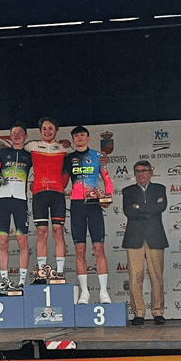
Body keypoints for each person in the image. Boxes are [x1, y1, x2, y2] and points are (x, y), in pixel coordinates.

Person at [63, 125, 114, 304]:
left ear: (88, 137)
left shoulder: (98, 156)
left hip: (93, 205)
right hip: (77, 205)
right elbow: (62, 181)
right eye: (76, 135)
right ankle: (84, 292)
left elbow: (106, 178)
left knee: (99, 248)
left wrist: (107, 197)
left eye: (82, 135)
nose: (79, 137)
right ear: (73, 138)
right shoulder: (68, 158)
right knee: (79, 250)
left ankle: (103, 292)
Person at [25, 117, 73, 280]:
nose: (47, 131)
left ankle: (59, 273)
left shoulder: (64, 147)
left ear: (56, 131)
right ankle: (41, 273)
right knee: (42, 232)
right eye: (44, 128)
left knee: (58, 231)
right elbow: (15, 152)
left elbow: (76, 159)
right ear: (40, 131)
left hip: (57, 194)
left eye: (51, 128)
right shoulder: (31, 146)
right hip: (39, 194)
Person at [0, 122, 33, 292]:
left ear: (25, 136)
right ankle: (5, 281)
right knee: (3, 241)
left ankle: (21, 282)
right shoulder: (1, 153)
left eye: (20, 132)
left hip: (21, 201)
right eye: (14, 132)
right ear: (10, 135)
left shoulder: (30, 155)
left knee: (22, 241)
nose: (17, 135)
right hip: (2, 200)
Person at [122, 160, 168, 325]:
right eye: (137, 171)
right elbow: (129, 212)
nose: (141, 174)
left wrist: (139, 207)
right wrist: (149, 208)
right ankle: (139, 313)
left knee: (157, 276)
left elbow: (161, 207)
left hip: (155, 237)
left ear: (151, 172)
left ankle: (158, 312)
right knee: (135, 277)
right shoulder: (127, 191)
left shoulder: (160, 188)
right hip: (134, 238)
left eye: (144, 170)